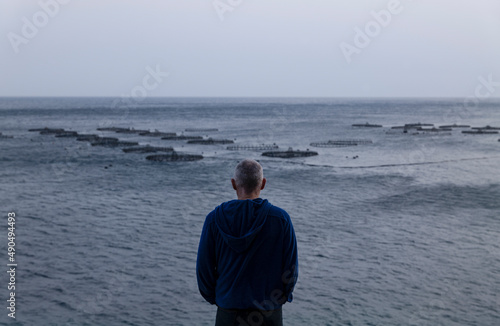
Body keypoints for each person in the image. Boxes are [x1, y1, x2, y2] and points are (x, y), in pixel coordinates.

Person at [196, 159, 299, 326]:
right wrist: (282, 297)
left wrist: (219, 298)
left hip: (228, 311)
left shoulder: (214, 220)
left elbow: (204, 269)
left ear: (233, 184)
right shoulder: (280, 219)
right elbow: (291, 268)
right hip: (268, 312)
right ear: (263, 183)